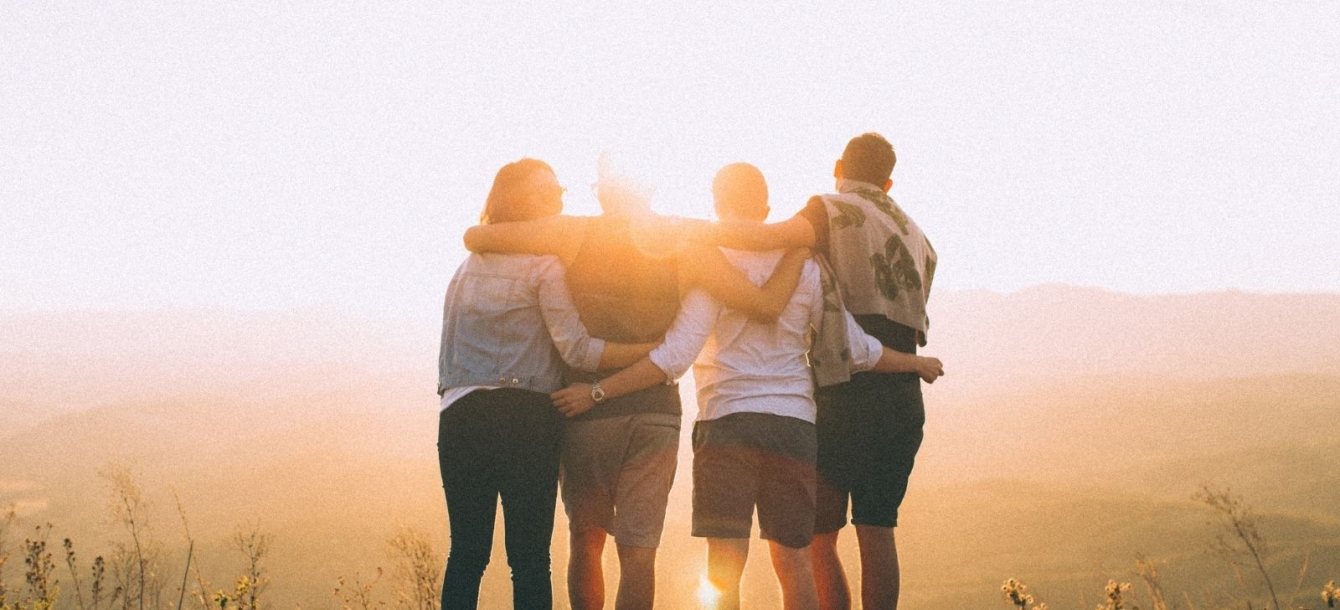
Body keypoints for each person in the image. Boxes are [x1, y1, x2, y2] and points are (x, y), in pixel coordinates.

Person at [552, 163, 943, 610]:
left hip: (726, 423)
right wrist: (914, 361)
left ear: (716, 203)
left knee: (724, 566)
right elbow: (854, 348)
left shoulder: (711, 262)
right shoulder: (808, 265)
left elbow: (675, 356)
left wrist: (599, 390)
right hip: (793, 426)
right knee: (794, 563)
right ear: (768, 207)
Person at [462, 159, 808, 610]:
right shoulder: (684, 239)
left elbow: (478, 236)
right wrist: (801, 243)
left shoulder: (573, 232)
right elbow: (762, 304)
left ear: (603, 191)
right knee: (639, 552)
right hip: (656, 414)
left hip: (586, 409)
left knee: (586, 540)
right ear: (650, 187)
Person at [680, 134, 937, 610]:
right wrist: (916, 363)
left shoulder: (830, 210)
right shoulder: (917, 234)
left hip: (842, 393)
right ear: (889, 179)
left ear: (840, 165)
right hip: (901, 395)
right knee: (879, 530)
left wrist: (683, 232)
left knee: (817, 539)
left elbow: (768, 238)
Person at [436, 158, 659, 610]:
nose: (559, 199)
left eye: (560, 190)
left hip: (458, 417)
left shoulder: (466, 268)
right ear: (522, 202)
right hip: (525, 418)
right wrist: (648, 350)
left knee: (466, 553)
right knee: (530, 558)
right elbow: (577, 350)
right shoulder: (544, 266)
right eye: (548, 193)